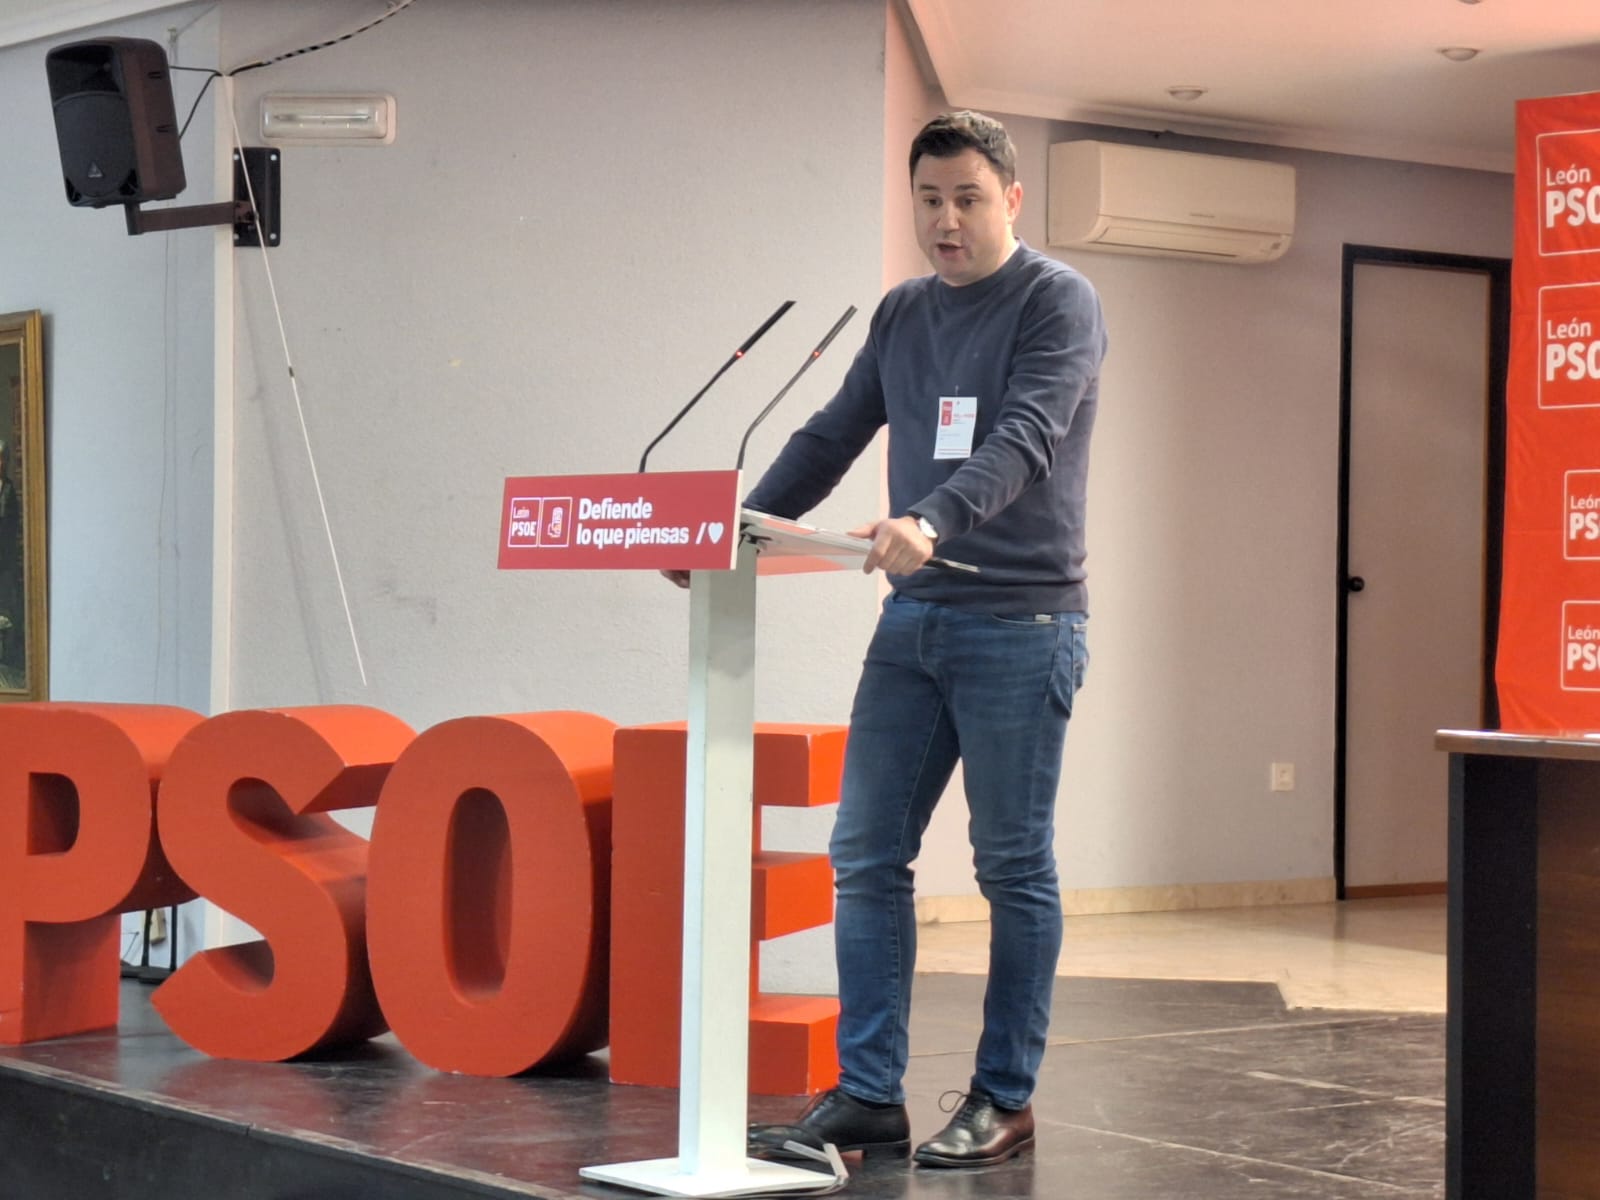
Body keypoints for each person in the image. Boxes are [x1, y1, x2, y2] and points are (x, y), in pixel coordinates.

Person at [670, 109, 1104, 1167]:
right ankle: (870, 1094)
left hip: (1022, 621)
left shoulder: (1057, 302)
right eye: (927, 199)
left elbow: (1027, 439)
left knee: (1011, 866)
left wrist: (932, 519)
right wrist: (741, 529)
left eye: (966, 197)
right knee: (864, 854)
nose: (945, 220)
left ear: (1010, 198)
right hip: (915, 622)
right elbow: (833, 431)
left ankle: (1004, 1096)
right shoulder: (904, 313)